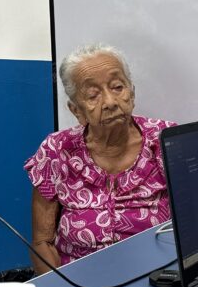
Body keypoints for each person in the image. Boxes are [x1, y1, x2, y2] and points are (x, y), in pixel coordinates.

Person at [24, 43, 174, 273]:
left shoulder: (165, 141)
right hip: (79, 283)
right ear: (76, 111)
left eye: (117, 87)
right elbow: (42, 242)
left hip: (158, 276)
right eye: (93, 95)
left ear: (132, 93)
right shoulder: (56, 149)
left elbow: (197, 225)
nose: (111, 102)